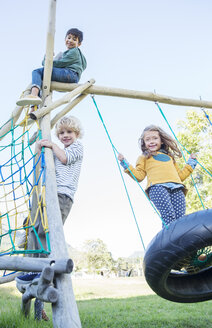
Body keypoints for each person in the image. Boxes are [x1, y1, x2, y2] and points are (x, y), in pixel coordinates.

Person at [16, 116, 83, 288]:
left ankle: (45, 268)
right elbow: (46, 162)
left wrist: (52, 145)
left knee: (49, 231)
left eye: (69, 132)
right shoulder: (57, 149)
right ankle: (33, 268)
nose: (65, 135)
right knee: (35, 229)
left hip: (62, 197)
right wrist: (40, 147)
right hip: (48, 195)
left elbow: (65, 159)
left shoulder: (77, 147)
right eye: (61, 133)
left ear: (77, 133)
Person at [118, 125, 197, 226]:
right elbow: (139, 176)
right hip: (157, 187)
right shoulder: (144, 157)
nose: (151, 141)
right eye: (147, 140)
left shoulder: (169, 157)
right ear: (144, 143)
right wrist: (125, 164)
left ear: (162, 141)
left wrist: (191, 163)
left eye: (155, 138)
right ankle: (169, 239)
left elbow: (180, 177)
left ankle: (180, 240)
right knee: (168, 215)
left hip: (177, 187)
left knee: (180, 218)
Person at [16, 28, 87, 107]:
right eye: (69, 38)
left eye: (74, 39)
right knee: (40, 80)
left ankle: (34, 95)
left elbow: (59, 64)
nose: (70, 40)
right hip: (72, 77)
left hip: (70, 74)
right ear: (65, 39)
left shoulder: (74, 51)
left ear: (79, 44)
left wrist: (47, 59)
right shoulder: (78, 56)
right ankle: (34, 107)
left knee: (37, 72)